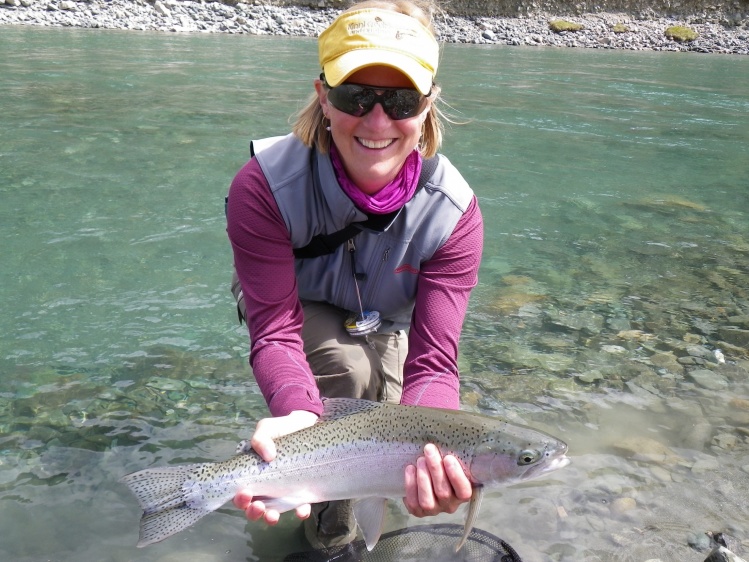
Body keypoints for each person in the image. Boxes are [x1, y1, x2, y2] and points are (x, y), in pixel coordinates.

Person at [225, 0, 484, 550]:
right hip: (295, 304)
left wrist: (434, 451)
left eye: (401, 100)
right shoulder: (262, 187)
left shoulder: (454, 213)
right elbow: (274, 329)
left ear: (429, 102)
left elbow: (434, 363)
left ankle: (353, 529)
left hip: (382, 315)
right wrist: (298, 413)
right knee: (345, 375)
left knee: (388, 420)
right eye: (354, 95)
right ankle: (331, 541)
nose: (376, 120)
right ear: (322, 95)